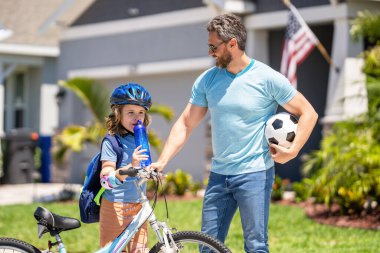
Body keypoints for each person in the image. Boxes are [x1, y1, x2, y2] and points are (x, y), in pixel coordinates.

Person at [151, 14, 318, 253]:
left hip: (255, 174)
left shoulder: (267, 78)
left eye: (213, 46)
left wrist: (292, 151)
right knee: (206, 246)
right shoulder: (207, 80)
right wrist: (163, 160)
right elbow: (186, 123)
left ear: (232, 44)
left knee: (256, 245)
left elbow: (308, 113)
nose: (210, 52)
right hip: (219, 176)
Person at [99, 83, 152, 253]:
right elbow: (105, 178)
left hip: (139, 206)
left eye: (141, 112)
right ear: (118, 114)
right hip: (115, 207)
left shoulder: (142, 139)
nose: (137, 118)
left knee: (141, 250)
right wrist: (131, 166)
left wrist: (152, 172)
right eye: (130, 112)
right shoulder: (112, 142)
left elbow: (144, 168)